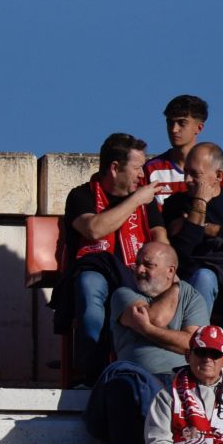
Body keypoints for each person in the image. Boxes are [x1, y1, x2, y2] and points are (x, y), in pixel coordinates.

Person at [85, 240, 210, 444]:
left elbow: (191, 343)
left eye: (148, 265)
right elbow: (157, 318)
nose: (139, 269)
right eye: (138, 263)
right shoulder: (124, 294)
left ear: (170, 271)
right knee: (120, 386)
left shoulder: (191, 297)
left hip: (179, 378)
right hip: (136, 376)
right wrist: (173, 293)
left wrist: (148, 330)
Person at [59, 133, 167, 370]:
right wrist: (137, 199)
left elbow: (161, 240)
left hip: (135, 275)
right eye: (138, 168)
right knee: (90, 283)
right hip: (97, 271)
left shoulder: (147, 202)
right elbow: (94, 229)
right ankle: (91, 374)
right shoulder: (81, 195)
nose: (142, 175)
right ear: (115, 168)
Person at [162, 141, 223, 314]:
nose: (187, 180)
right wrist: (199, 204)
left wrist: (210, 229)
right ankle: (196, 334)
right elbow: (183, 251)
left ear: (218, 175)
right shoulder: (175, 204)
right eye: (185, 172)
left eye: (194, 174)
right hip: (197, 276)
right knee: (205, 277)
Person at [142, 94, 208, 195]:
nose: (174, 129)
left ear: (199, 128)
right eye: (170, 123)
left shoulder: (216, 169)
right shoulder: (151, 169)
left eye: (182, 123)